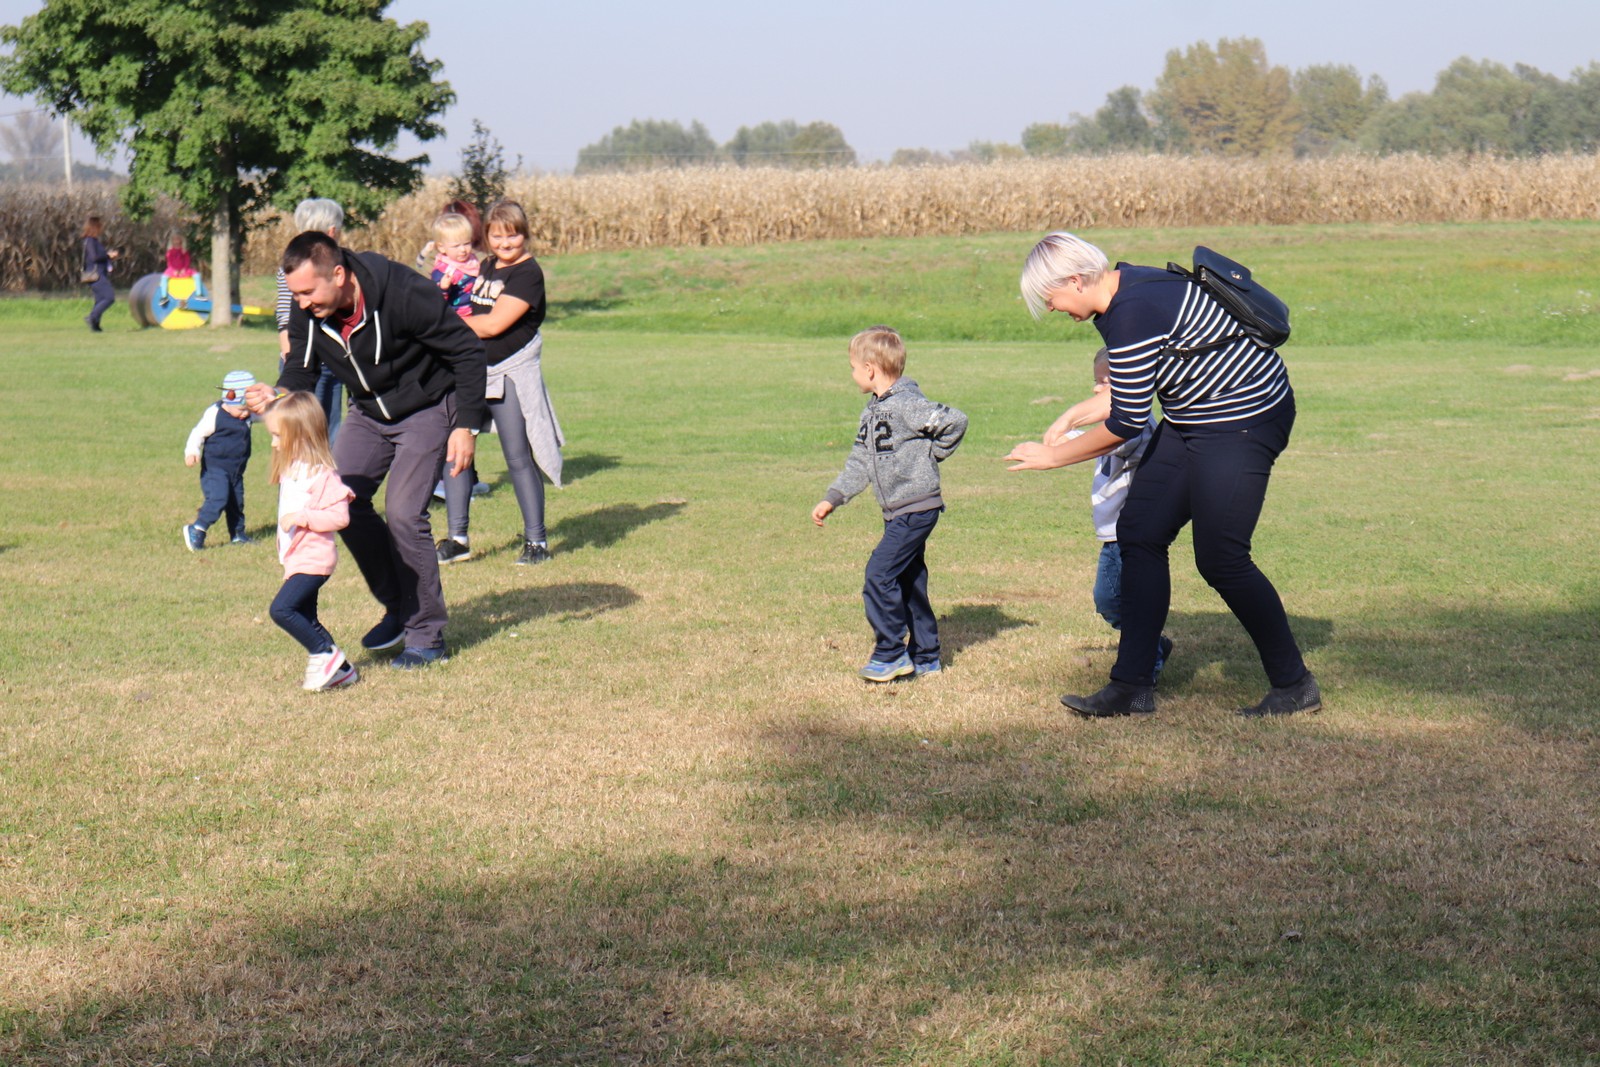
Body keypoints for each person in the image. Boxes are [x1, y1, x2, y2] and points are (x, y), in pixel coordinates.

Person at [1009, 231, 1319, 718]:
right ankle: (1130, 686)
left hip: (1245, 418)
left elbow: (1127, 422)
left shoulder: (1133, 310)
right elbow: (1129, 393)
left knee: (1221, 558)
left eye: (1051, 298)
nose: (1052, 309)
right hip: (1192, 417)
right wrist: (1072, 416)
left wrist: (1052, 458)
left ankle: (1294, 684)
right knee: (1139, 530)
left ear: (1075, 280)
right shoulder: (1123, 289)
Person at [248, 230, 486, 670]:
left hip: (428, 407)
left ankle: (426, 634)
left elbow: (467, 350)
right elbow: (302, 369)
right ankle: (397, 605)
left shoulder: (401, 291)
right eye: (295, 294)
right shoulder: (310, 311)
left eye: (307, 291)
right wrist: (278, 395)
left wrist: (467, 425)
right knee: (342, 500)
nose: (301, 303)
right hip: (368, 412)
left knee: (404, 514)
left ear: (338, 274)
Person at [812, 326, 968, 681]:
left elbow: (956, 420)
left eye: (852, 367)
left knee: (879, 575)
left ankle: (890, 652)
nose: (851, 374)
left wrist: (932, 455)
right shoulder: (872, 412)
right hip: (898, 509)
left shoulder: (907, 404)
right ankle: (926, 658)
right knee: (909, 581)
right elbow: (859, 462)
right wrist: (833, 498)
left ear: (869, 368)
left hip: (917, 507)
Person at [436, 200, 564, 567]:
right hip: (473, 371)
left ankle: (536, 541)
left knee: (518, 457)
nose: (505, 243)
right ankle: (458, 538)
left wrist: (443, 324)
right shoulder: (487, 265)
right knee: (458, 451)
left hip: (509, 374)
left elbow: (493, 325)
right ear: (486, 237)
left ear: (525, 235)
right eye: (497, 235)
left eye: (514, 235)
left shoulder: (528, 274)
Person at [1046, 348, 1170, 678]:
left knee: (1111, 599)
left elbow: (1101, 443)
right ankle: (1153, 645)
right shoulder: (1115, 424)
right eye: (1096, 381)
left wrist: (1056, 448)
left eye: (1104, 382)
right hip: (1114, 533)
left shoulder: (1135, 423)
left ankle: (1149, 657)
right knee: (1117, 599)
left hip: (1125, 534)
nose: (1096, 389)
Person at [262, 391, 360, 692]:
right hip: (297, 558)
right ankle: (342, 671)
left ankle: (323, 654)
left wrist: (302, 517)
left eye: (278, 436)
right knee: (306, 617)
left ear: (301, 434)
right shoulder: (294, 470)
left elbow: (340, 517)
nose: (273, 443)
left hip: (314, 560)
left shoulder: (320, 475)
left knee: (282, 610)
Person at [275, 198, 346, 440]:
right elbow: (286, 316)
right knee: (304, 429)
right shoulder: (295, 269)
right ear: (333, 231)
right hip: (306, 359)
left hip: (333, 361)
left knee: (329, 429)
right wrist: (290, 356)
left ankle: (328, 477)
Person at [183, 369, 258, 551]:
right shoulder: (215, 414)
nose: (245, 415)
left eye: (248, 410)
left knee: (236, 502)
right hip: (215, 469)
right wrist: (192, 451)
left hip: (236, 470)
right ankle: (197, 528)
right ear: (228, 400)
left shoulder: (246, 414)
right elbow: (197, 433)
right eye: (241, 410)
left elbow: (267, 414)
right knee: (218, 498)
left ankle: (237, 534)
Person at [429, 212, 481, 318]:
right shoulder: (444, 271)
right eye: (456, 246)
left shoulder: (473, 261)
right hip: (457, 316)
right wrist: (443, 288)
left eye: (466, 243)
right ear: (442, 247)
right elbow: (434, 301)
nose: (463, 250)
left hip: (477, 310)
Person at [81, 215, 118, 332]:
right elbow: (94, 257)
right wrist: (108, 255)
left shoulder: (94, 241)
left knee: (99, 299)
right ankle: (91, 317)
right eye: (100, 226)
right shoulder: (90, 241)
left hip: (99, 273)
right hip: (95, 275)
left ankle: (95, 326)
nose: (102, 228)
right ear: (95, 227)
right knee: (109, 297)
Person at [156, 230, 208, 307]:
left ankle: (199, 294)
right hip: (172, 269)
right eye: (174, 239)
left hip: (184, 269)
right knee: (164, 278)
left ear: (181, 240)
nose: (176, 241)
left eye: (178, 239)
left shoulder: (184, 251)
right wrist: (174, 270)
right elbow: (169, 262)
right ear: (172, 241)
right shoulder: (170, 252)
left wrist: (184, 269)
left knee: (196, 275)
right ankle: (164, 297)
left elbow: (187, 260)